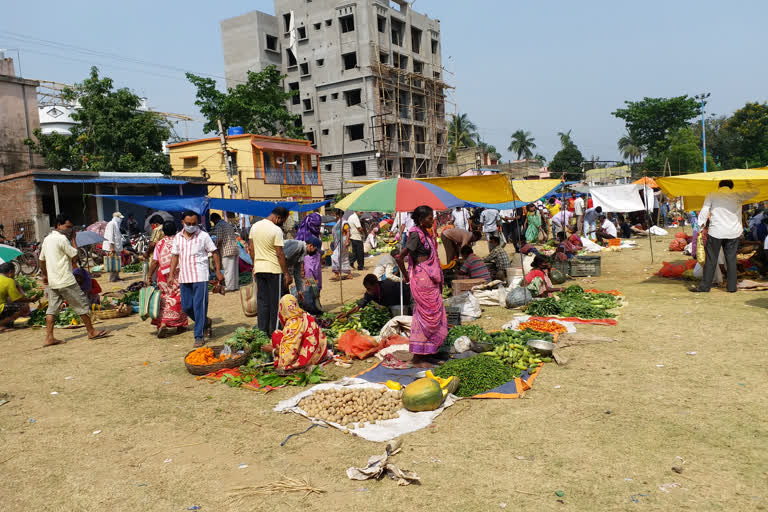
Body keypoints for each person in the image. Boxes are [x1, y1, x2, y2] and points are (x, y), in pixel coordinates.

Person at [40, 213, 109, 346]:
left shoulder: (47, 239)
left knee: (52, 310)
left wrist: (45, 275)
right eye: (68, 226)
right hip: (66, 280)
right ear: (59, 225)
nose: (70, 229)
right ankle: (91, 331)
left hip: (54, 282)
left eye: (71, 227)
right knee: (82, 305)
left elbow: (41, 260)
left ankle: (49, 337)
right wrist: (73, 239)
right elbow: (75, 256)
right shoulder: (62, 239)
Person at [395, 205, 447, 367]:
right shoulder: (415, 235)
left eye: (432, 218)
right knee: (426, 316)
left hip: (429, 279)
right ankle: (418, 357)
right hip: (422, 279)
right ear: (420, 219)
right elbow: (400, 257)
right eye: (429, 218)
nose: (432, 221)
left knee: (433, 315)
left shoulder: (426, 233)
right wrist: (405, 277)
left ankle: (429, 351)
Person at [168, 211, 224, 347]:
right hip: (184, 276)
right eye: (188, 224)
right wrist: (171, 274)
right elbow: (175, 256)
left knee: (199, 306)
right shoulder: (178, 237)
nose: (191, 226)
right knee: (187, 307)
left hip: (200, 276)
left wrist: (218, 271)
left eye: (194, 224)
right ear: (182, 223)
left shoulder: (203, 236)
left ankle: (198, 335)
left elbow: (215, 252)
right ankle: (205, 322)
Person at [693, 180, 757, 293]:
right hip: (733, 232)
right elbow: (755, 192)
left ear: (719, 185)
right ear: (731, 186)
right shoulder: (738, 194)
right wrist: (748, 182)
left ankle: (704, 287)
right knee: (731, 259)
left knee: (711, 260)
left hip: (716, 231)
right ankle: (732, 287)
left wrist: (700, 227)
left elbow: (704, 211)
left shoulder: (712, 194)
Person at [249, 207, 292, 337]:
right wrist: (286, 273)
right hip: (274, 270)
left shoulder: (255, 227)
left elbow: (251, 249)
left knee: (263, 303)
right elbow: (279, 253)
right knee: (276, 304)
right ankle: (275, 333)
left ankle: (262, 332)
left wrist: (255, 265)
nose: (282, 224)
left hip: (259, 269)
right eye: (283, 221)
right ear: (278, 218)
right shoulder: (276, 230)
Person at [263, 295, 329, 374]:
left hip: (305, 360)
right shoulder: (306, 315)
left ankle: (293, 365)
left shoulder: (292, 324)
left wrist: (273, 350)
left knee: (276, 334)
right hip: (318, 355)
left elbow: (289, 354)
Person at [146, 221, 188, 338]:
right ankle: (179, 325)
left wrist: (149, 276)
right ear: (176, 230)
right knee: (179, 298)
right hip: (179, 274)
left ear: (163, 231)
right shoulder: (180, 241)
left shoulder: (159, 244)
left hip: (163, 276)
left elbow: (154, 262)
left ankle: (163, 323)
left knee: (165, 298)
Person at [341, 273, 413, 318]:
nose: (367, 290)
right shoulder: (370, 293)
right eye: (366, 288)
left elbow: (403, 296)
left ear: (375, 284)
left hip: (408, 296)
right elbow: (359, 306)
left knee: (397, 309)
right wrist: (347, 314)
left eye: (369, 288)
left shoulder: (388, 287)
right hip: (395, 302)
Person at [0, 262, 37, 332]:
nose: (14, 275)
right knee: (23, 307)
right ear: (10, 272)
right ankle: (1, 324)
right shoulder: (9, 281)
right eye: (14, 272)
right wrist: (31, 300)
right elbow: (18, 299)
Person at [283, 237, 321, 302]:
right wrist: (287, 275)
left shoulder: (301, 253)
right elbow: (282, 258)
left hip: (281, 271)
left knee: (286, 297)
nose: (315, 252)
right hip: (273, 269)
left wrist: (300, 290)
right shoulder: (297, 246)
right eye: (316, 250)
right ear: (310, 245)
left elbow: (297, 272)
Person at [211, 212, 240, 292]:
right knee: (234, 269)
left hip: (226, 250)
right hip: (234, 248)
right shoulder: (227, 224)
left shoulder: (219, 225)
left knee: (228, 270)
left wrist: (213, 247)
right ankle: (235, 285)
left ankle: (229, 286)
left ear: (214, 220)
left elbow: (219, 238)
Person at [296, 211, 323, 291]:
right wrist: (301, 268)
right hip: (307, 260)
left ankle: (317, 300)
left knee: (317, 282)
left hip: (316, 259)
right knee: (310, 284)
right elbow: (299, 253)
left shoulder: (316, 233)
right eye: (316, 226)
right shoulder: (302, 233)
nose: (317, 228)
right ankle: (310, 301)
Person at [102, 211, 124, 282]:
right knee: (112, 262)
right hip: (111, 247)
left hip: (116, 247)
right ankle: (112, 278)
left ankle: (117, 276)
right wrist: (112, 248)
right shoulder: (112, 224)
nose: (120, 219)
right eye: (119, 218)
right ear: (116, 217)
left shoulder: (116, 224)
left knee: (117, 261)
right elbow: (110, 236)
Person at [331, 209, 351, 280]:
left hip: (342, 242)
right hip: (339, 243)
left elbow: (348, 231)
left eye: (335, 214)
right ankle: (348, 274)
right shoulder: (338, 223)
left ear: (337, 215)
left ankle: (337, 274)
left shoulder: (344, 222)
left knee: (335, 257)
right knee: (342, 258)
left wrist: (346, 241)